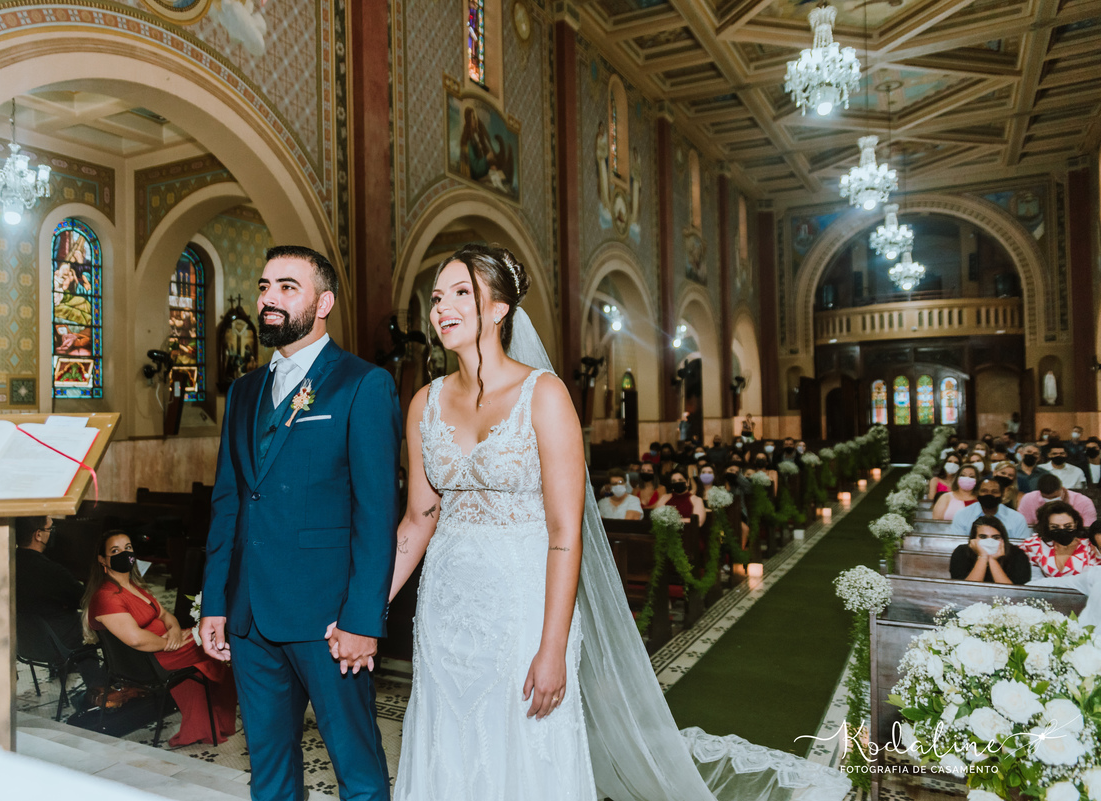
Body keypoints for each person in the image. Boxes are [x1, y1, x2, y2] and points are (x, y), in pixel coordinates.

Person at [382, 244, 841, 800]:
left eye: (461, 294)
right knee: (448, 737)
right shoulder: (423, 403)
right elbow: (418, 518)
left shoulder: (543, 396)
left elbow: (564, 534)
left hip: (525, 606)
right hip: (448, 607)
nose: (441, 308)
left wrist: (552, 646)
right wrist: (369, 603)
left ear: (499, 310)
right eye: (436, 297)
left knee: (526, 748)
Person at [198, 245, 402, 801]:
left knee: (358, 773)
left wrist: (363, 617)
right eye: (265, 286)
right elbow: (230, 502)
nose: (269, 298)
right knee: (269, 774)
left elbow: (377, 513)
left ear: (324, 302)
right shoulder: (242, 393)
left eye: (288, 287)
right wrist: (215, 600)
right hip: (250, 618)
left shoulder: (362, 385)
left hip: (329, 620)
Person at [86, 531, 237, 746]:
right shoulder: (106, 596)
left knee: (213, 643)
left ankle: (210, 723)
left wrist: (176, 632)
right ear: (102, 559)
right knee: (218, 646)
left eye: (128, 548)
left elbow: (165, 615)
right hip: (150, 661)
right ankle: (219, 719)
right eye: (115, 551)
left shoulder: (135, 587)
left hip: (165, 648)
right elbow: (136, 639)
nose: (124, 553)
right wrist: (170, 644)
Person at [14, 515, 105, 695]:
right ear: (38, 535)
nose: (54, 533)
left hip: (25, 641)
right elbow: (86, 599)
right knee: (97, 627)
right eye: (50, 529)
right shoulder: (51, 571)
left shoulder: (9, 563)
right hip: (54, 643)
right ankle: (100, 692)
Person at [1018, 501, 1101, 578]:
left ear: (1075, 524)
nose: (1062, 530)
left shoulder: (1091, 546)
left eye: (1068, 526)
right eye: (1055, 527)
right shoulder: (1036, 544)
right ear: (1047, 527)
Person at [949, 515, 1031, 585]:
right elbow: (966, 590)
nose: (989, 541)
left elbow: (1013, 593)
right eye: (983, 537)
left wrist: (993, 560)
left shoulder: (1017, 554)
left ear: (1003, 539)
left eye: (995, 537)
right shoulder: (961, 552)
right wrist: (982, 557)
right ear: (973, 539)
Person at [949, 478, 1030, 540]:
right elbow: (957, 544)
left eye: (994, 492)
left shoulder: (1017, 518)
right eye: (984, 491)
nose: (989, 495)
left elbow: (1022, 548)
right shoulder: (962, 515)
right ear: (977, 493)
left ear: (1002, 495)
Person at [1017, 473, 1097, 528]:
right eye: (1046, 497)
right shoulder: (1028, 499)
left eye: (1054, 497)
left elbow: (1088, 530)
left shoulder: (1084, 502)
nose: (1051, 500)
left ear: (1062, 489)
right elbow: (1025, 527)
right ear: (1040, 492)